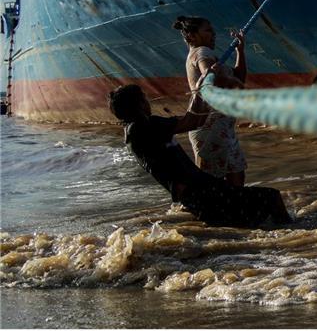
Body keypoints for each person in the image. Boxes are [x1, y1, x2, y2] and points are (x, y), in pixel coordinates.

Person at [108, 84, 290, 228]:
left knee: (250, 220)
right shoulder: (145, 128)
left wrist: (201, 93)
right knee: (271, 197)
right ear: (138, 106)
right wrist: (201, 90)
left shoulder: (137, 130)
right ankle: (296, 233)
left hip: (197, 193)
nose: (148, 103)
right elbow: (192, 121)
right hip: (200, 192)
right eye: (144, 100)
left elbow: (195, 120)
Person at [172, 16, 248, 187]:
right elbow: (209, 75)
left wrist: (240, 51)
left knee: (235, 179)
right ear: (191, 36)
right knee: (214, 184)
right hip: (211, 127)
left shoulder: (207, 54)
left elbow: (239, 78)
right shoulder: (201, 52)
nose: (213, 34)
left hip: (223, 128)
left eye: (212, 30)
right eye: (208, 30)